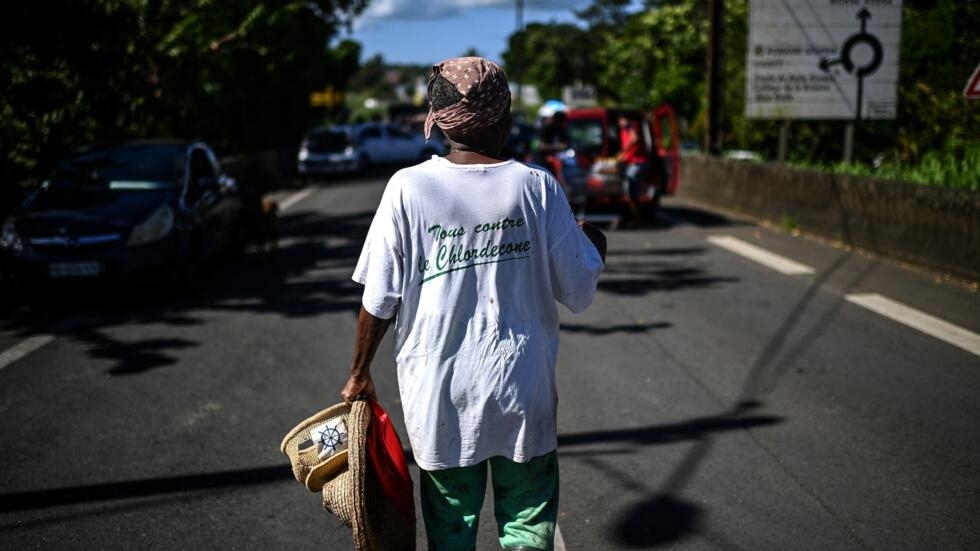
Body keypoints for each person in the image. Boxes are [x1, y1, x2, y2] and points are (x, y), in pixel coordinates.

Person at [340, 56, 606, 551]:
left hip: (441, 397)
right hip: (521, 394)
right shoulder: (537, 187)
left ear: (438, 119)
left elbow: (379, 298)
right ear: (503, 117)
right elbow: (577, 288)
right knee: (527, 528)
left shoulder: (407, 188)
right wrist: (595, 245)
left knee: (451, 534)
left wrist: (359, 372)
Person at [616, 116, 650, 223]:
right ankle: (635, 215)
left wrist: (623, 153)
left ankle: (636, 215)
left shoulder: (630, 125)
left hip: (638, 163)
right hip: (634, 163)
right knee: (631, 191)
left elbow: (634, 139)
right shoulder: (625, 129)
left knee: (630, 187)